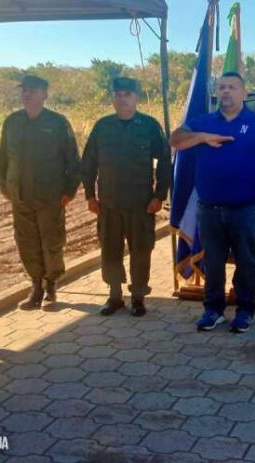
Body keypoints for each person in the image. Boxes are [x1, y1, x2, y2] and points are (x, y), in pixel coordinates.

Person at [170, 72, 255, 333]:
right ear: (216, 92)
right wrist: (201, 137)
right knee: (213, 261)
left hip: (246, 208)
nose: (226, 92)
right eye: (221, 87)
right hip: (209, 208)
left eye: (232, 87)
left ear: (244, 93)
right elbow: (175, 140)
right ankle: (213, 310)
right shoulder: (202, 121)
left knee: (246, 261)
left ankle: (245, 310)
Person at [81, 77, 171, 317]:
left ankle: (138, 296)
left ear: (136, 98)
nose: (122, 99)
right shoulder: (102, 126)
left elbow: (164, 161)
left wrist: (159, 195)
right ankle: (115, 295)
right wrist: (90, 195)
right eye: (118, 95)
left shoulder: (149, 126)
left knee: (141, 250)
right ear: (113, 98)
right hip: (108, 203)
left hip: (141, 203)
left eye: (127, 95)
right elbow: (88, 163)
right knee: (110, 249)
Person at [0, 75, 81, 310]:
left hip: (50, 194)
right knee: (26, 242)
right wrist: (5, 186)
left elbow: (73, 160)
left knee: (51, 241)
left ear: (44, 95)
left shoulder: (57, 123)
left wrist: (70, 190)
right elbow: (3, 158)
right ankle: (35, 286)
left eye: (32, 90)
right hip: (20, 195)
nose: (27, 94)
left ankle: (51, 283)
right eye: (24, 90)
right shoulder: (12, 122)